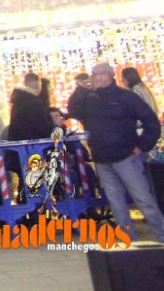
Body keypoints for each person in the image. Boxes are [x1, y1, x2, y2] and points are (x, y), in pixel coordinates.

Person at [67, 62, 164, 242]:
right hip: (103, 158)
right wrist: (80, 91)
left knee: (143, 199)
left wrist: (142, 145)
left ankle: (161, 235)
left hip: (126, 156)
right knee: (116, 204)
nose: (91, 78)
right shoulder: (91, 99)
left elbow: (151, 122)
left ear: (106, 76)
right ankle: (128, 241)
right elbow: (74, 111)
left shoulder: (126, 97)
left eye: (94, 74)